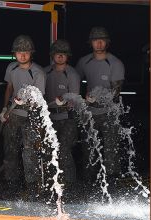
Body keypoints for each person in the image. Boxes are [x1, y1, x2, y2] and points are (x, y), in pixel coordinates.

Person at [75, 26, 125, 180]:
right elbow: (73, 81)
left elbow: (116, 92)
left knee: (111, 149)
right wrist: (82, 98)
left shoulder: (115, 63)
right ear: (91, 43)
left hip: (109, 112)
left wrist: (99, 97)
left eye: (102, 41)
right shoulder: (84, 61)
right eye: (96, 41)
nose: (99, 44)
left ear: (107, 43)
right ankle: (88, 181)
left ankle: (112, 180)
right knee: (87, 147)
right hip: (90, 112)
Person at [0, 35, 46, 195]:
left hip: (31, 116)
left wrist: (25, 102)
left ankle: (32, 185)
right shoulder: (11, 68)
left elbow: (39, 99)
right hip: (13, 114)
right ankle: (12, 183)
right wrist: (4, 108)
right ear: (15, 54)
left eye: (26, 52)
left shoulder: (38, 72)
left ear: (31, 53)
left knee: (29, 151)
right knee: (10, 149)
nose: (22, 55)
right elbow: (9, 88)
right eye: (19, 52)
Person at [44, 39, 81, 191]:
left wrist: (63, 102)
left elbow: (74, 100)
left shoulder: (72, 74)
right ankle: (50, 184)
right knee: (48, 150)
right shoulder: (45, 72)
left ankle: (70, 184)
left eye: (63, 54)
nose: (60, 57)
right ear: (52, 55)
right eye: (57, 54)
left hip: (67, 118)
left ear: (68, 56)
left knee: (64, 150)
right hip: (49, 118)